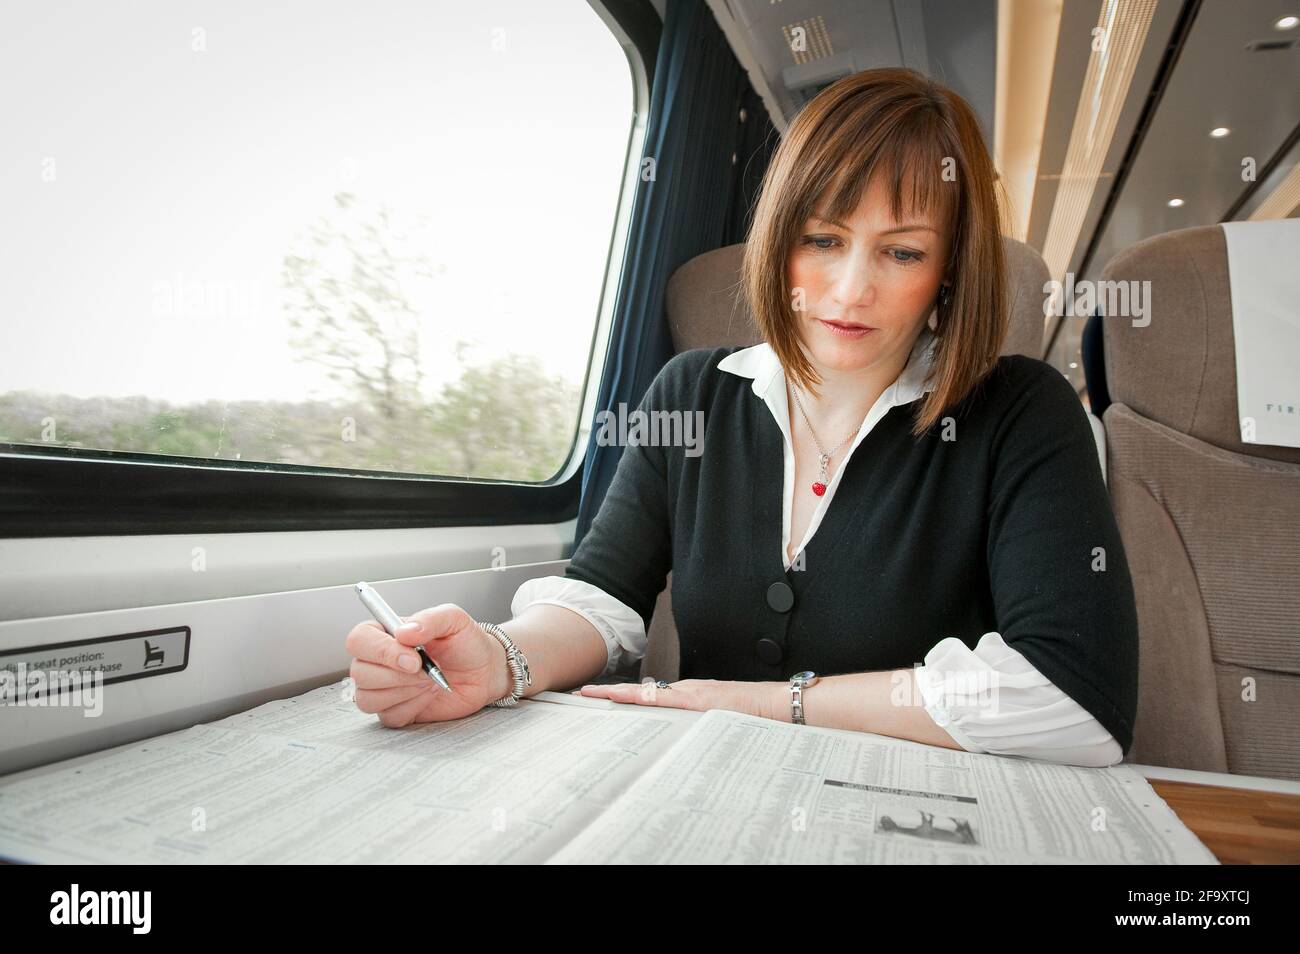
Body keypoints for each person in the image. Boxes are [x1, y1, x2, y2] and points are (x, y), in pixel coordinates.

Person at [343, 67, 1138, 767]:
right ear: (778, 241)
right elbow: (601, 602)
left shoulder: (1021, 413)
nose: (850, 289)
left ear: (949, 273)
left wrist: (759, 703)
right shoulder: (692, 393)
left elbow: (1072, 699)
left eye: (902, 253)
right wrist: (500, 657)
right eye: (823, 238)